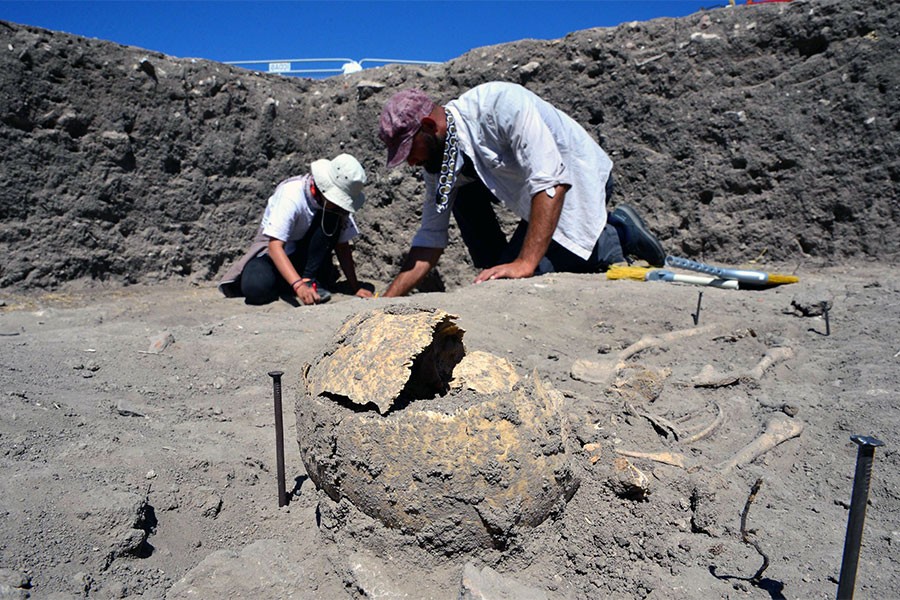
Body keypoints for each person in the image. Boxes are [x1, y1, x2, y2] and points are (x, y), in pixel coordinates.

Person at [377, 82, 666, 297]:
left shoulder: (500, 105)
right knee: (466, 207)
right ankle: (504, 261)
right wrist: (385, 303)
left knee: (532, 278)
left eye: (409, 151)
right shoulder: (440, 157)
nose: (412, 163)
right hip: (541, 198)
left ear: (428, 126)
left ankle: (615, 233)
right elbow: (431, 236)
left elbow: (551, 180)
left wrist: (526, 263)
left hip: (578, 183)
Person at [218, 153, 373, 305]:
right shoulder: (291, 194)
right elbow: (274, 247)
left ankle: (308, 280)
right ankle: (290, 283)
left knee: (331, 218)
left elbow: (342, 246)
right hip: (272, 257)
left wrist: (355, 287)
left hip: (306, 261)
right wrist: (298, 286)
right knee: (256, 289)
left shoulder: (335, 208)